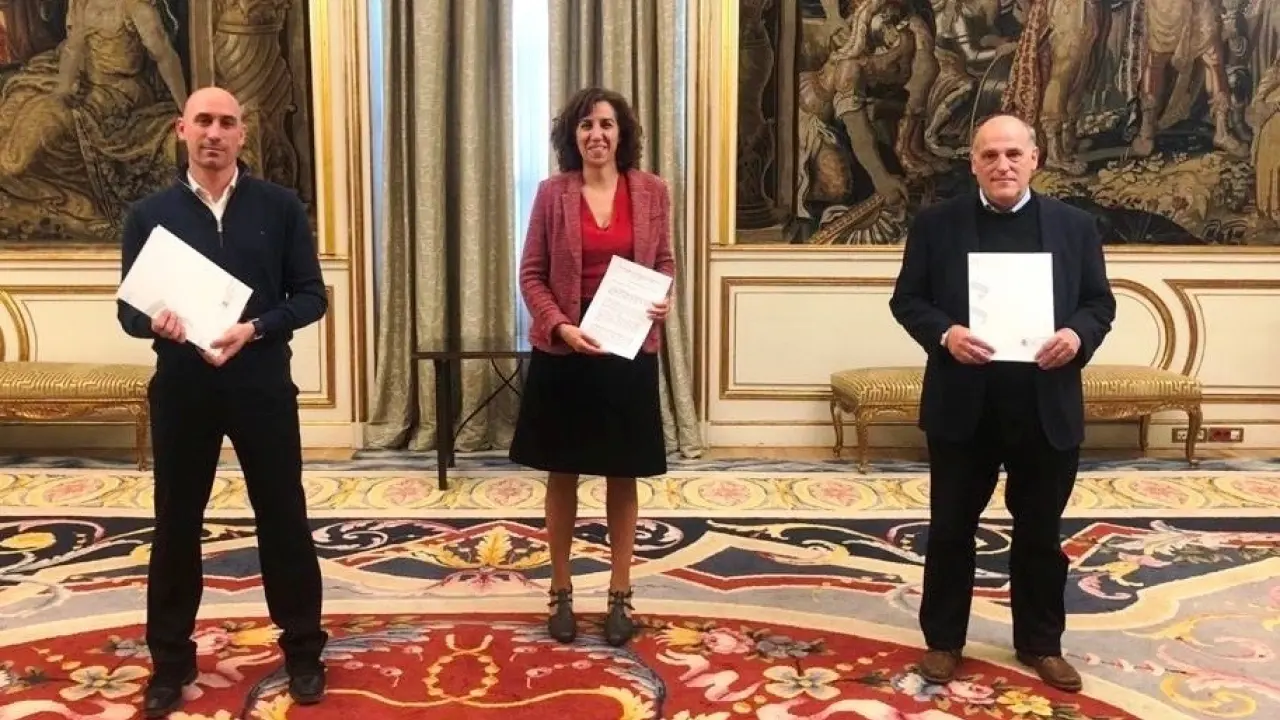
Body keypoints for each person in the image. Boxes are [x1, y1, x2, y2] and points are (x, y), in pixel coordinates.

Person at [116, 86, 329, 717]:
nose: (215, 132)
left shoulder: (279, 207)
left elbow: (310, 297)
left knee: (283, 517)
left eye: (227, 122)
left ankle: (304, 651)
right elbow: (129, 313)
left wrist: (255, 328)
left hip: (262, 385)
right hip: (183, 389)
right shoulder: (148, 215)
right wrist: (156, 324)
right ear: (181, 129)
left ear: (242, 133)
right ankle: (170, 663)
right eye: (203, 120)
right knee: (176, 525)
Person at [888, 114, 1116, 693]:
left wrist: (1077, 336)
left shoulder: (1074, 226)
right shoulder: (937, 224)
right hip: (964, 405)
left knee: (1040, 533)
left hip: (1045, 405)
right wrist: (946, 334)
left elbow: (1099, 304)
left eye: (1014, 153)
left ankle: (1041, 644)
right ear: (973, 163)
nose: (1003, 165)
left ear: (1035, 159)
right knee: (950, 531)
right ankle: (944, 641)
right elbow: (907, 300)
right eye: (990, 155)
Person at [508, 86, 674, 647]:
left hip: (627, 351)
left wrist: (664, 297)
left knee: (622, 475)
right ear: (572, 136)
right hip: (566, 353)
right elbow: (531, 274)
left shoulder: (652, 191)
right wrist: (560, 326)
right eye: (585, 125)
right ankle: (560, 591)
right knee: (564, 474)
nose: (596, 134)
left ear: (621, 133)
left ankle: (620, 594)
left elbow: (664, 262)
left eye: (605, 124)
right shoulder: (552, 193)